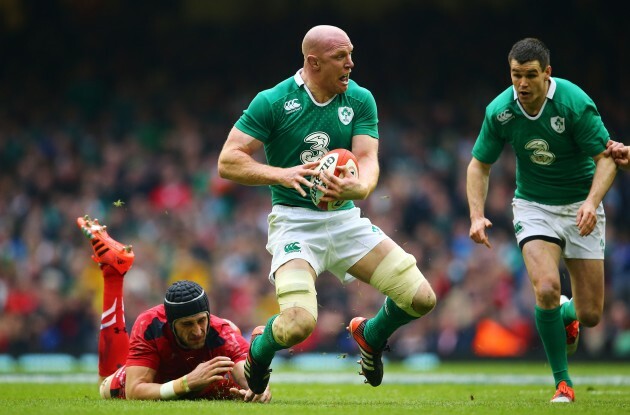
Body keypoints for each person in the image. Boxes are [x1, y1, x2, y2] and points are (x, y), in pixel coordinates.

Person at [217, 25, 436, 393]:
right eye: (341, 57)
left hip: (345, 221)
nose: (351, 63)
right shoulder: (272, 101)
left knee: (420, 299)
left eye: (351, 54)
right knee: (300, 324)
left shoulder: (360, 99)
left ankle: (371, 334)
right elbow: (228, 161)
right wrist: (281, 174)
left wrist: (362, 186)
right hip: (294, 224)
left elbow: (367, 157)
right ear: (313, 62)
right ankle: (260, 349)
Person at [466, 38, 618, 403]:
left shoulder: (574, 103)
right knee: (546, 287)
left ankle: (569, 313)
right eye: (516, 75)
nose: (522, 84)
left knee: (591, 313)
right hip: (534, 206)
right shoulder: (500, 110)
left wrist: (591, 202)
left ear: (547, 74)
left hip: (581, 206)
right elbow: (479, 165)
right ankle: (562, 383)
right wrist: (476, 215)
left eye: (530, 75)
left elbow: (608, 158)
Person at [76, 215, 271, 403]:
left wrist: (259, 389)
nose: (197, 330)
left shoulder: (221, 332)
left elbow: (249, 378)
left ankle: (113, 273)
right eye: (187, 324)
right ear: (170, 323)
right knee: (106, 388)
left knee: (232, 343)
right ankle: (113, 276)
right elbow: (134, 390)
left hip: (210, 382)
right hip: (159, 380)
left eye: (202, 321)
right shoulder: (150, 324)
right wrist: (186, 383)